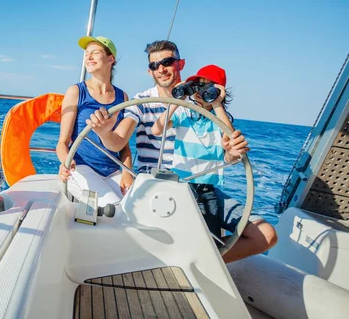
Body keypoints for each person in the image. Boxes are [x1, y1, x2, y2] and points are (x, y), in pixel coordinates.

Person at [86, 40, 277, 263]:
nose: (162, 69)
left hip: (200, 185)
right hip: (156, 188)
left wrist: (234, 152)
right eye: (155, 65)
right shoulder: (142, 102)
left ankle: (201, 263)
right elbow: (117, 142)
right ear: (150, 71)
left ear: (180, 63)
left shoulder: (203, 104)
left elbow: (224, 153)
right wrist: (104, 132)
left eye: (167, 62)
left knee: (266, 235)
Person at [56, 36, 134, 207]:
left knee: (136, 205)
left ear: (110, 59)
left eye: (95, 53)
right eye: (86, 54)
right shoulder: (76, 91)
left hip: (113, 171)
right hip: (82, 169)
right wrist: (66, 162)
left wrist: (127, 172)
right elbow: (62, 142)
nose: (88, 57)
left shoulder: (123, 97)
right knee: (116, 208)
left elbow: (124, 145)